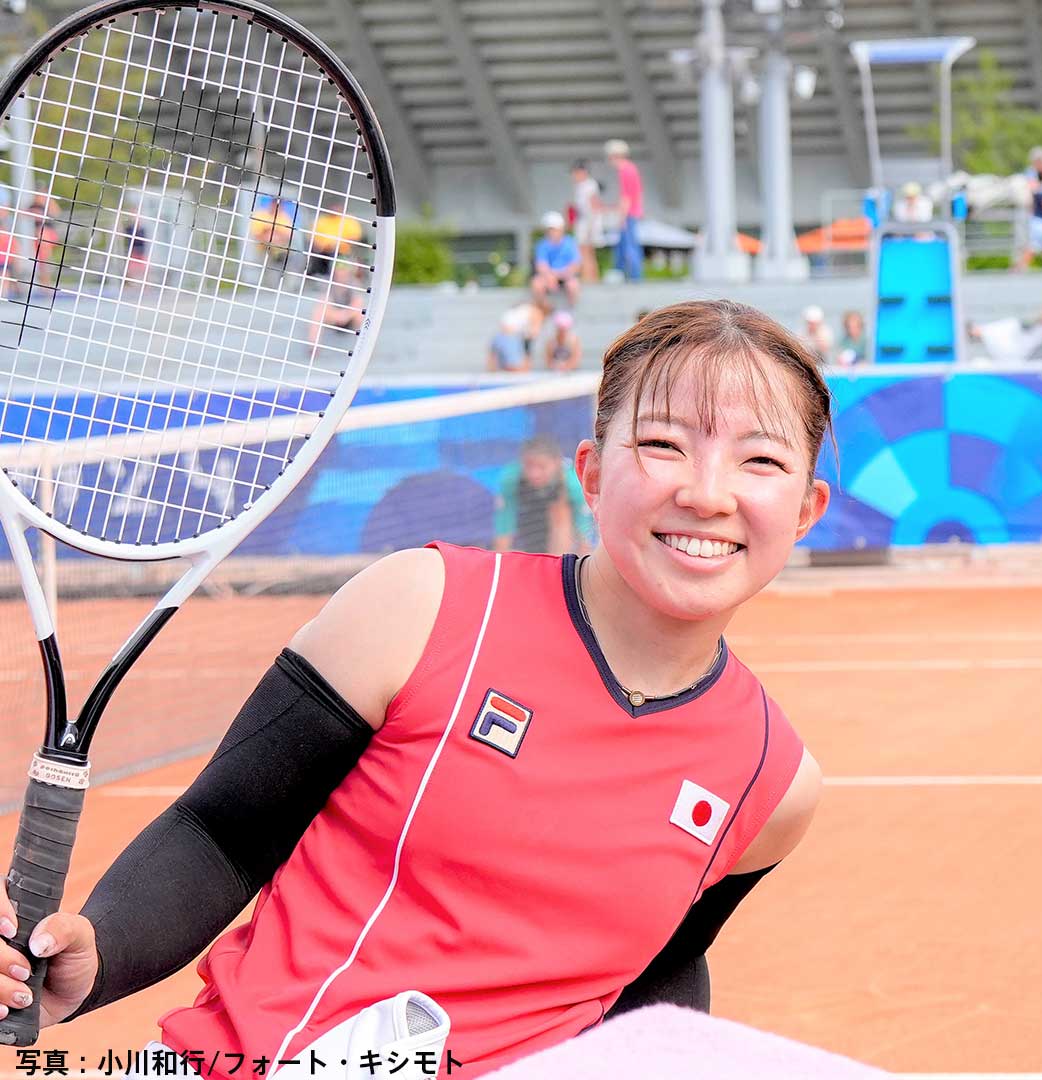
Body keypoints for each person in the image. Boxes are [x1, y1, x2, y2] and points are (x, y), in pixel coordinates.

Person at [6, 300, 835, 1076]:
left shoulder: (773, 779)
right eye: (662, 444)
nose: (706, 492)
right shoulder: (422, 605)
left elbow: (662, 966)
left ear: (806, 509)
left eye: (760, 460)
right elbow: (224, 832)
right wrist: (101, 949)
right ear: (589, 471)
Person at [494, 435, 593, 554]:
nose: (534, 474)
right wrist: (500, 556)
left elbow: (584, 525)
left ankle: (557, 563)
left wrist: (584, 552)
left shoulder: (573, 482)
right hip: (528, 520)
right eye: (529, 466)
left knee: (560, 511)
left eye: (542, 466)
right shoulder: (511, 477)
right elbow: (504, 521)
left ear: (557, 463)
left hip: (562, 523)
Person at [606, 138, 645, 281]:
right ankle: (620, 274)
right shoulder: (632, 168)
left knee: (630, 247)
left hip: (628, 214)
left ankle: (636, 278)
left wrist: (621, 218)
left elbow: (626, 197)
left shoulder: (625, 170)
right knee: (622, 247)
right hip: (634, 212)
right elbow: (638, 193)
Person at [307, 262, 367, 349]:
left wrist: (345, 315)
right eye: (339, 270)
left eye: (344, 270)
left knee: (360, 313)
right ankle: (313, 347)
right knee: (318, 312)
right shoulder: (328, 284)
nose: (341, 273)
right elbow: (325, 302)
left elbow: (357, 302)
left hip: (350, 317)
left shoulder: (354, 283)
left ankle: (364, 346)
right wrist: (338, 316)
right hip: (334, 317)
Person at [532, 211, 583, 308]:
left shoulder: (570, 243)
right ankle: (544, 311)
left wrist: (560, 275)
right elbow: (541, 265)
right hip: (549, 276)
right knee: (537, 284)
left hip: (566, 276)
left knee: (573, 285)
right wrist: (549, 277)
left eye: (555, 229)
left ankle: (571, 312)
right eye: (550, 230)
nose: (552, 232)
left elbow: (575, 265)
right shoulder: (542, 245)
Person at [487, 297, 549, 373]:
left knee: (500, 369)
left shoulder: (523, 308)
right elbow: (532, 335)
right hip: (510, 337)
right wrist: (527, 357)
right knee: (518, 370)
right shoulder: (536, 312)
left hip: (499, 336)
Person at [568, 159, 602, 284]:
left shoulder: (589, 185)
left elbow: (594, 206)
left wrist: (591, 226)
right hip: (584, 221)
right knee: (587, 253)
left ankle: (589, 279)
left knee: (585, 252)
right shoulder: (580, 186)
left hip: (588, 222)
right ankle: (591, 279)